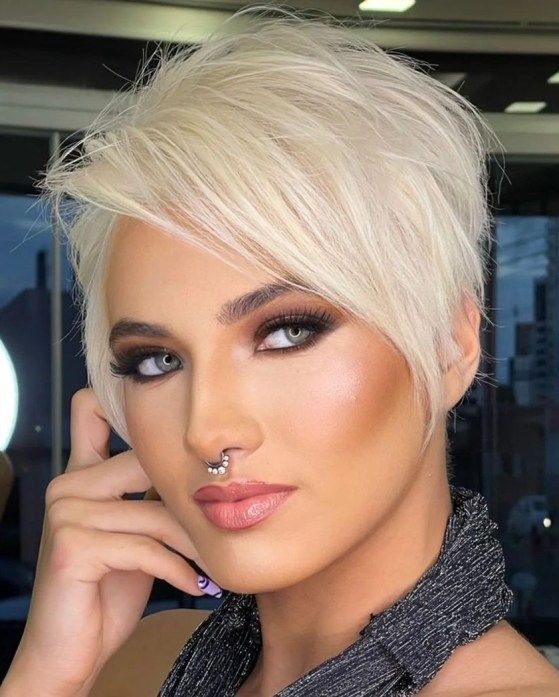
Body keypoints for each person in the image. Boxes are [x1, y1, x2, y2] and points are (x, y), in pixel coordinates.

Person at [3, 5, 559, 696]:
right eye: (157, 360)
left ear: (451, 344)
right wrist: (50, 671)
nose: (207, 430)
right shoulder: (138, 663)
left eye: (287, 332)